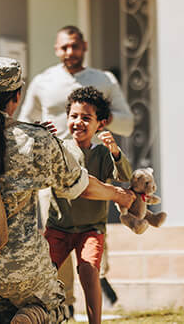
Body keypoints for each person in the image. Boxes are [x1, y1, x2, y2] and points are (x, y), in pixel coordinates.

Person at [0, 57, 135, 323]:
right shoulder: (35, 139)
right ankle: (30, 317)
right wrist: (119, 195)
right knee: (54, 307)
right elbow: (80, 185)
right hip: (25, 269)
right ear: (17, 96)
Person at [18, 25, 134, 314]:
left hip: (91, 166)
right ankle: (65, 305)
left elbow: (128, 122)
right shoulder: (43, 81)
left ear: (84, 46)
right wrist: (44, 135)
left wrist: (92, 118)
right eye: (63, 47)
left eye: (74, 46)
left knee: (88, 248)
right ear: (56, 50)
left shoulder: (103, 79)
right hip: (55, 167)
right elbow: (24, 122)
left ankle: (91, 294)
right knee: (56, 238)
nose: (69, 52)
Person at [44, 87, 132, 324]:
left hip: (91, 229)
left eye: (86, 117)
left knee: (89, 271)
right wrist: (43, 137)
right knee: (45, 275)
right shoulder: (60, 148)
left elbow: (125, 176)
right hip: (58, 227)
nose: (78, 122)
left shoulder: (103, 154)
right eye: (73, 116)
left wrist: (115, 151)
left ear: (100, 124)